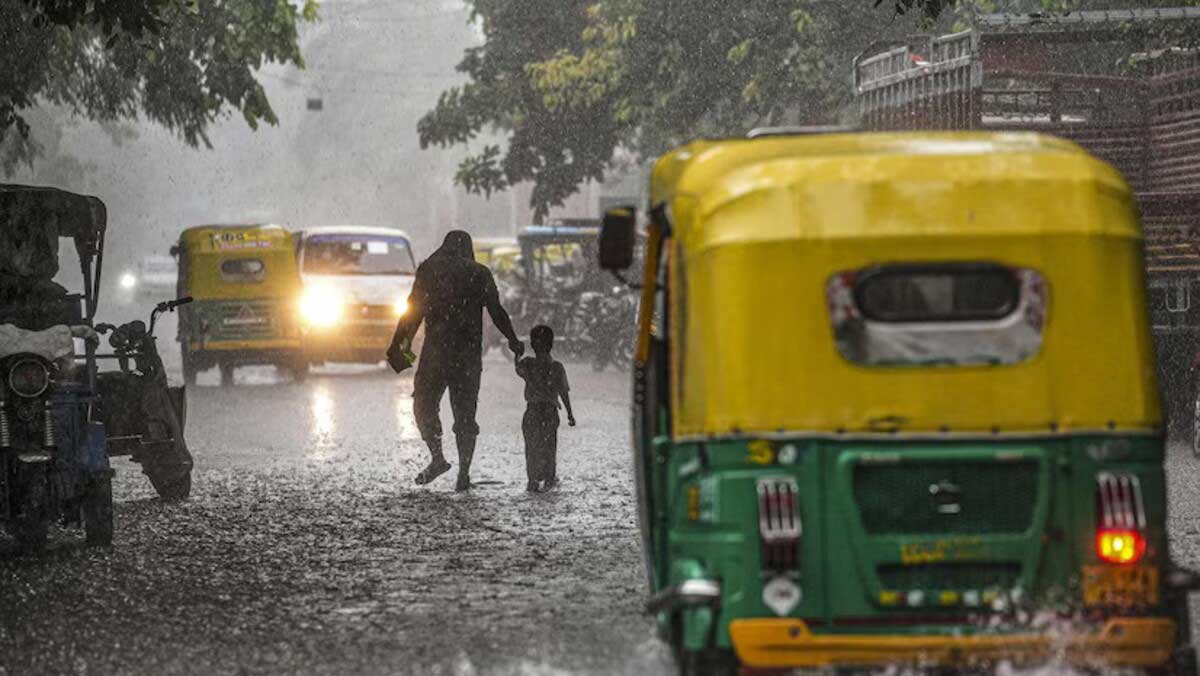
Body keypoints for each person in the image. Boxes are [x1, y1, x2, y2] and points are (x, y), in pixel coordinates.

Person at [389, 230, 525, 491]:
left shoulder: (428, 270)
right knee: (465, 415)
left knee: (424, 404)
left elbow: (412, 313)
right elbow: (497, 311)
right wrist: (512, 339)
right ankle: (464, 473)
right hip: (468, 356)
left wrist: (399, 344)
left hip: (435, 353)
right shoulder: (479, 273)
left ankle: (437, 457)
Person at [515, 325, 574, 492]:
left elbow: (517, 368)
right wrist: (570, 414)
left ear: (532, 344)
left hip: (532, 411)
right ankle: (549, 477)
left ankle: (532, 479)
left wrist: (517, 354)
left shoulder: (528, 364)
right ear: (552, 344)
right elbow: (563, 392)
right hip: (550, 412)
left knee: (531, 447)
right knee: (549, 446)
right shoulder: (557, 367)